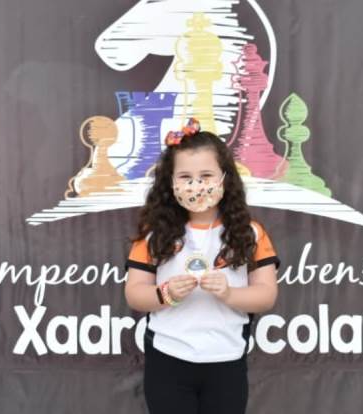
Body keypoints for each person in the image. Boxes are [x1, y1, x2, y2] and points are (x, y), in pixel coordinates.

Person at [124, 117, 281, 414]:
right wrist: (165, 293)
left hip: (227, 360)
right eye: (185, 176)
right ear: (170, 182)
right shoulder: (153, 233)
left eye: (206, 175)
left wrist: (229, 293)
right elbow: (134, 293)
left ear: (225, 178)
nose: (196, 184)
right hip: (167, 358)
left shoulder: (250, 232)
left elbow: (266, 295)